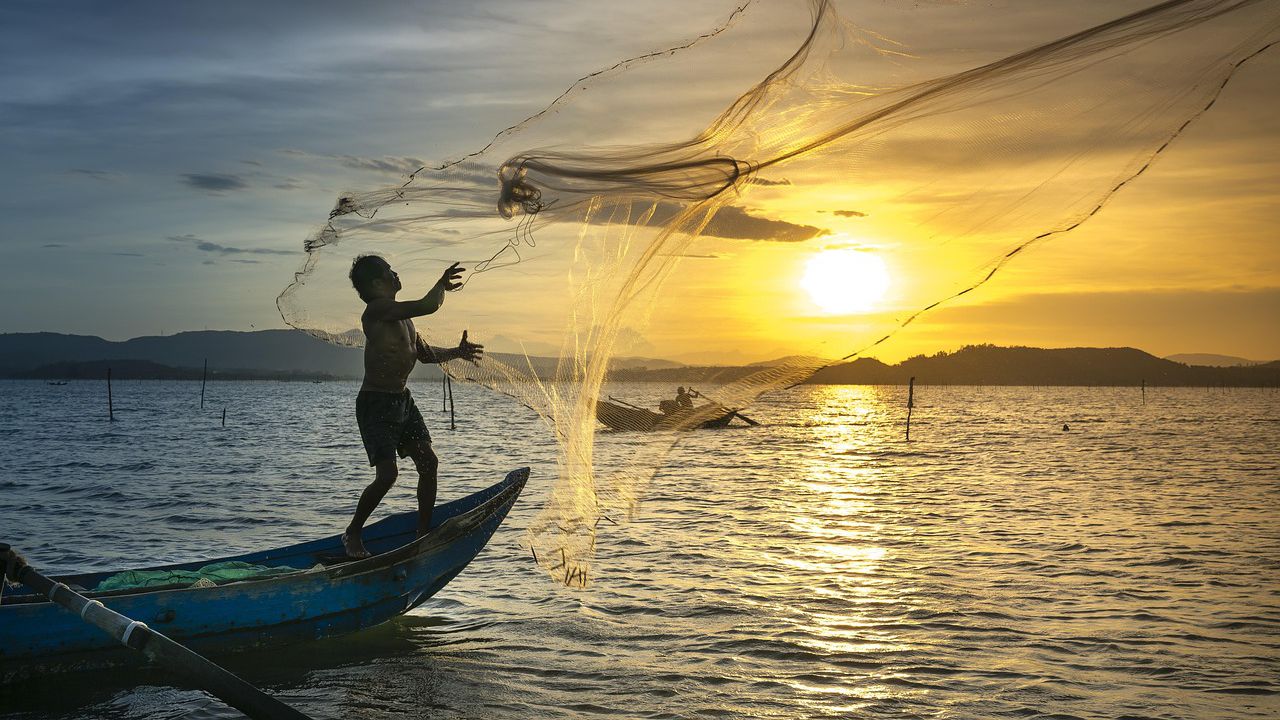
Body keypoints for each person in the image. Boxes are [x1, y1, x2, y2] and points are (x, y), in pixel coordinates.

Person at [342, 254, 484, 559]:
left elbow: (426, 355)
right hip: (376, 403)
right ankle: (353, 532)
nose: (396, 274)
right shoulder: (378, 311)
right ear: (377, 283)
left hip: (402, 401)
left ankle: (422, 534)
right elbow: (428, 305)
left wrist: (457, 352)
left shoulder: (403, 319)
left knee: (428, 463)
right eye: (390, 271)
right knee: (387, 475)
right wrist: (442, 285)